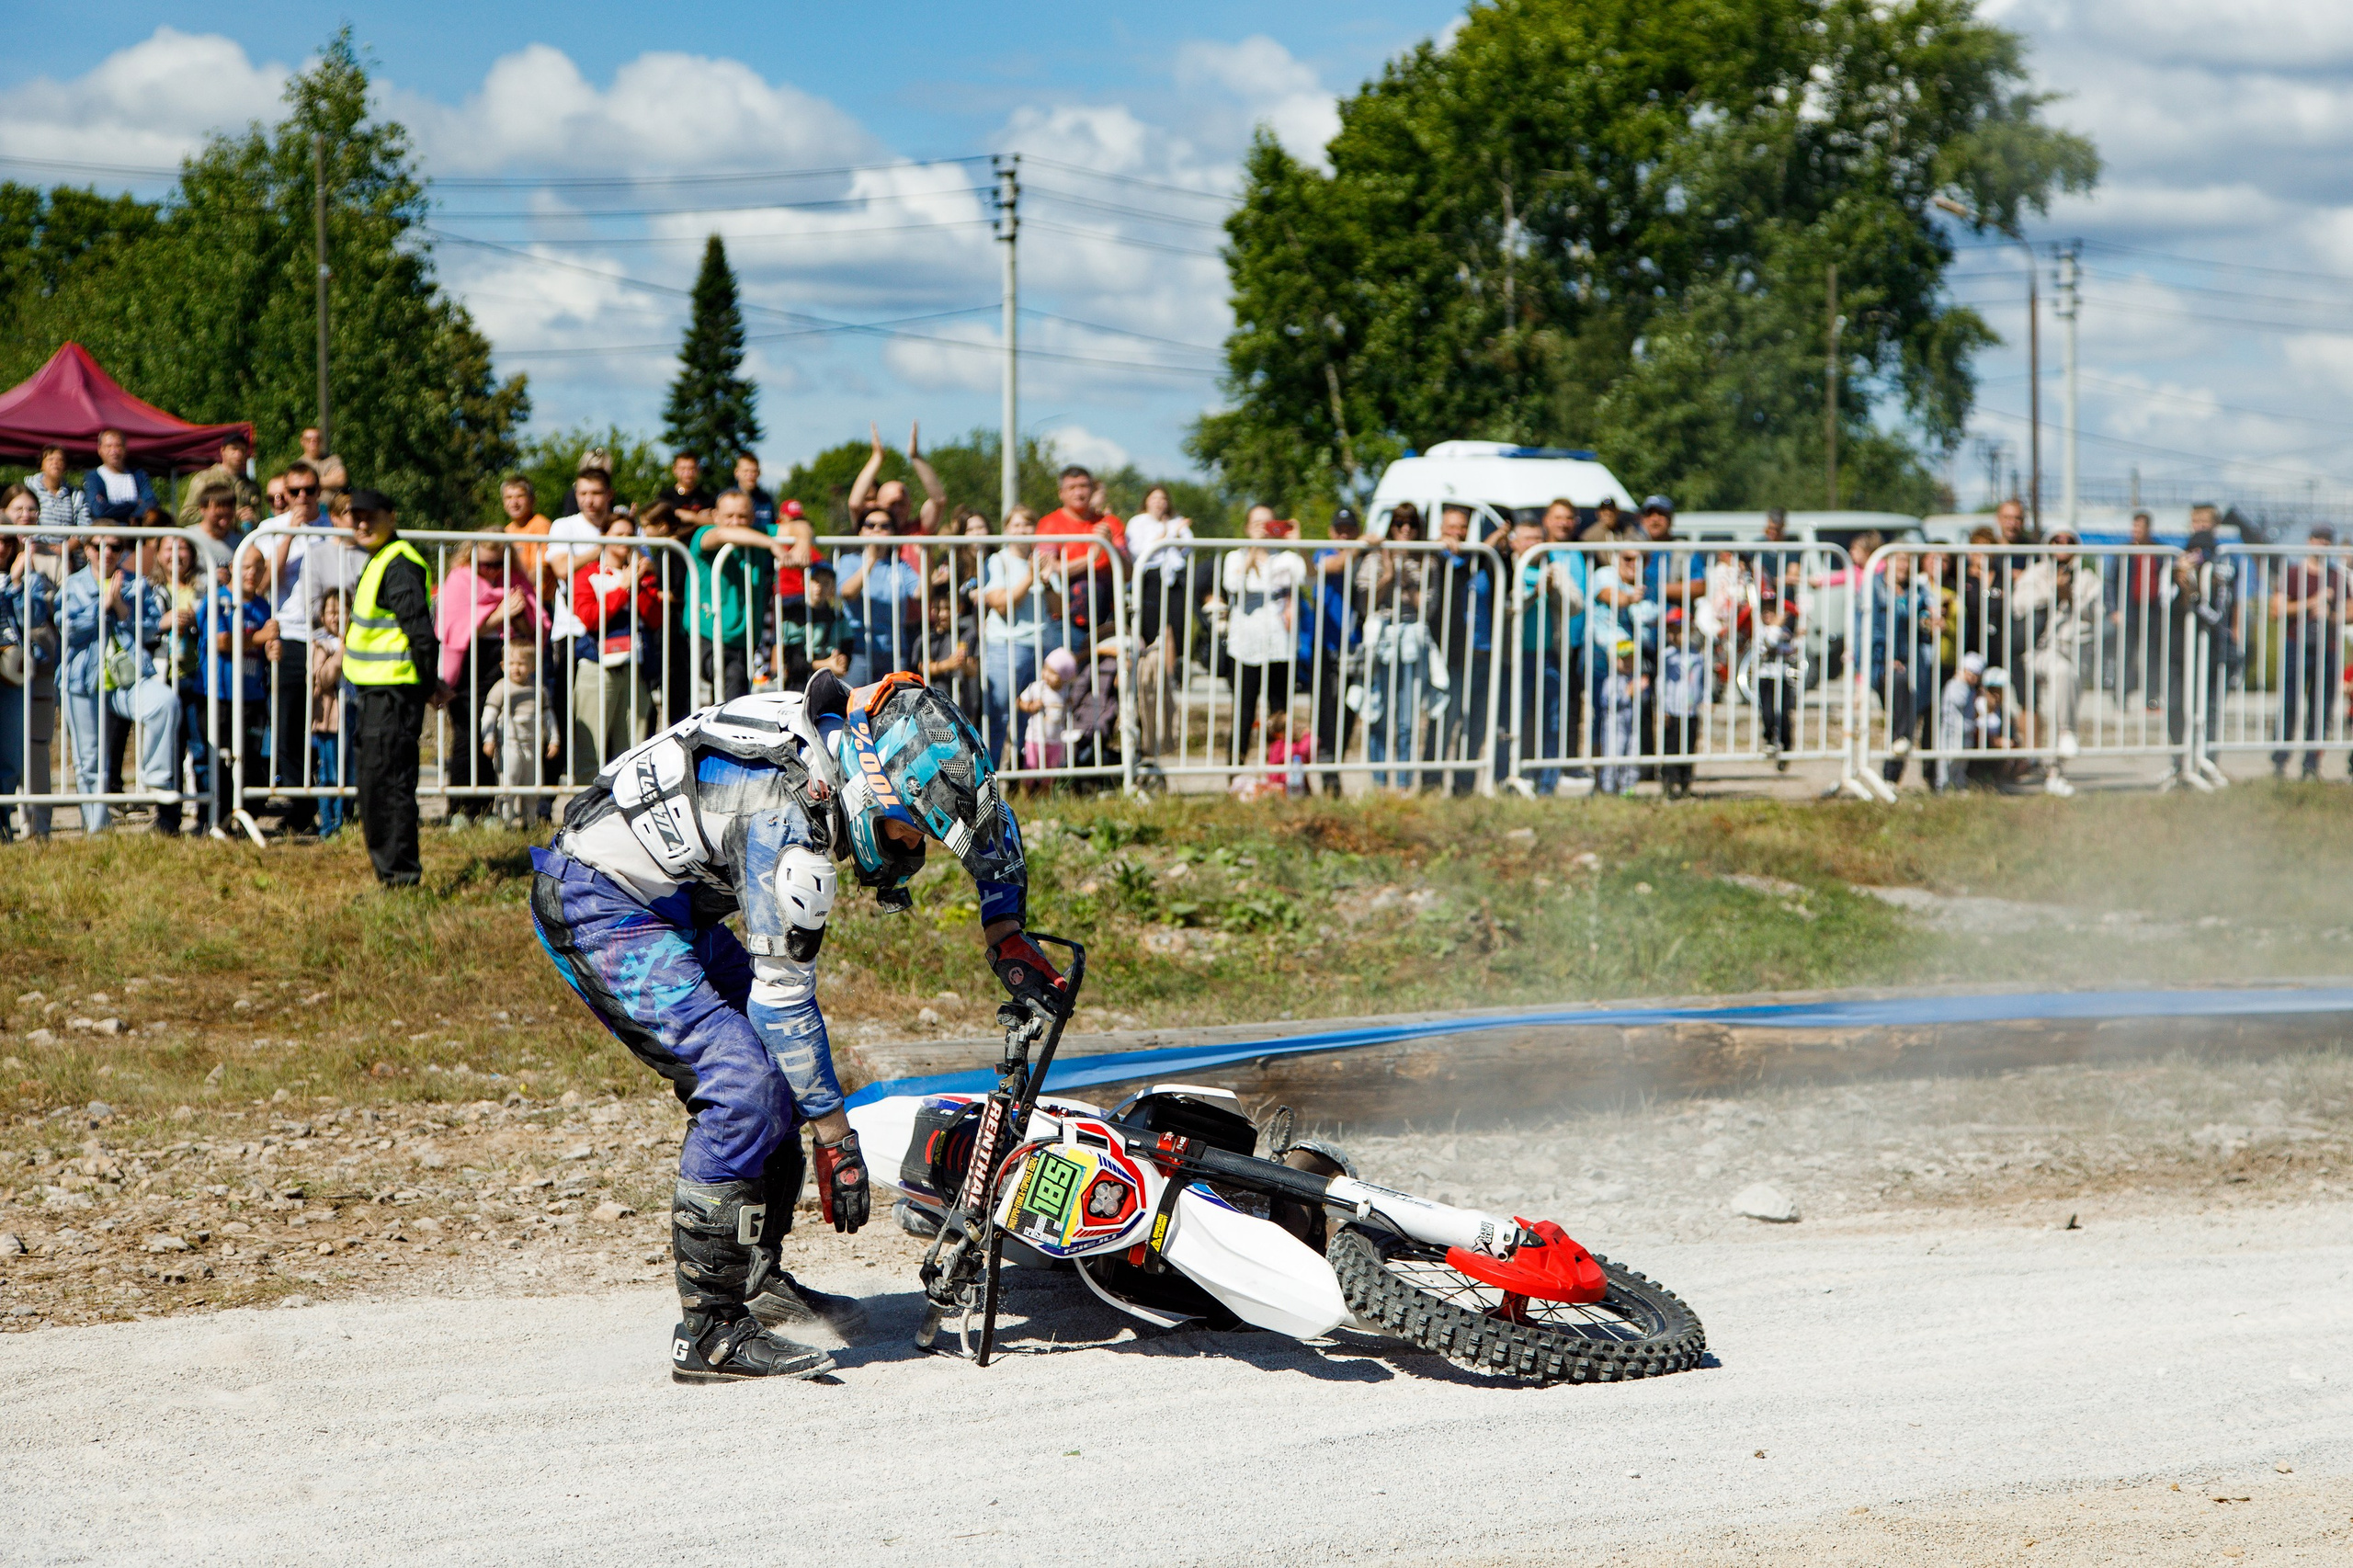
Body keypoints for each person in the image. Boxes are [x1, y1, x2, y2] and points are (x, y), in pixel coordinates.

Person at [529, 668, 1070, 1380]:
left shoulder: (860, 736)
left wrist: (1004, 925)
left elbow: (986, 818)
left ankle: (757, 1280)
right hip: (600, 900)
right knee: (745, 1087)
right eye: (909, 829)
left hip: (672, 900)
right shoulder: (787, 816)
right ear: (870, 792)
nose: (914, 849)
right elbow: (782, 1002)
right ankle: (711, 1332)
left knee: (775, 1079)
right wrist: (835, 1138)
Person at [344, 492, 451, 886]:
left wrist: (427, 685)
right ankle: (391, 874)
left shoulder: (399, 562)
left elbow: (421, 634)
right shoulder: (382, 559)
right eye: (355, 518)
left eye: (370, 517)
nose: (362, 524)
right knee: (377, 787)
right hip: (379, 693)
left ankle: (400, 879)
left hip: (393, 695)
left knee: (388, 788)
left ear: (392, 516)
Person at [61, 534, 180, 834]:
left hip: (126, 680)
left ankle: (156, 776)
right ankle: (98, 831)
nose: (107, 552)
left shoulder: (135, 584)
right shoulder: (74, 585)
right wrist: (102, 607)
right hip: (82, 681)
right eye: (98, 546)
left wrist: (121, 609)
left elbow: (151, 628)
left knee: (164, 702)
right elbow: (68, 629)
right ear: (87, 550)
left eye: (114, 546)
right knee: (89, 760)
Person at [435, 534, 545, 829]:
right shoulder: (459, 579)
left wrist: (517, 614)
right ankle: (460, 808)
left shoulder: (516, 579)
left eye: (499, 564)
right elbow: (454, 626)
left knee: (497, 734)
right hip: (469, 661)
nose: (493, 571)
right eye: (485, 564)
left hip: (505, 659)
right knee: (468, 733)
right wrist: (499, 614)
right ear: (470, 558)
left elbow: (534, 626)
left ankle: (487, 809)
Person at [250, 461, 330, 835]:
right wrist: (289, 535)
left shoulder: (335, 529)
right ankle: (302, 809)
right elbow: (264, 582)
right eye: (292, 491)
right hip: (290, 634)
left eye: (308, 491)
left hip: (329, 639)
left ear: (318, 491)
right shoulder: (269, 530)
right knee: (288, 726)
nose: (300, 498)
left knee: (330, 726)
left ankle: (333, 806)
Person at [1214, 506, 1306, 771]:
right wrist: (1253, 548)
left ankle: (1277, 772)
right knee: (1244, 713)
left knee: (1279, 713)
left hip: (1280, 645)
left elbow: (1310, 577)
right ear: (1246, 528)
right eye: (1257, 524)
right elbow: (1233, 585)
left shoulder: (1287, 558)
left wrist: (1300, 545)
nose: (1263, 529)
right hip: (1245, 646)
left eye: (1267, 524)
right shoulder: (1235, 557)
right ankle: (1235, 774)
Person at [573, 515, 661, 774]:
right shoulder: (587, 574)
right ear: (604, 538)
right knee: (591, 748)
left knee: (634, 748)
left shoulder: (641, 574)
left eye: (630, 535)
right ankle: (587, 808)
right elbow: (590, 619)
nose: (625, 541)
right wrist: (624, 587)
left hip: (635, 667)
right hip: (597, 667)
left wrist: (639, 583)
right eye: (618, 534)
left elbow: (655, 619)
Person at [2016, 531, 2100, 796]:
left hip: (2076, 652)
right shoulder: (2036, 573)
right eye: (2057, 541)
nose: (2062, 546)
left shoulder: (2087, 578)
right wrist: (2053, 593)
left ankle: (2055, 772)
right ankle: (2066, 733)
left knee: (2063, 701)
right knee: (2061, 672)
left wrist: (2072, 596)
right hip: (2041, 650)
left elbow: (2099, 614)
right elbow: (2018, 606)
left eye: (2068, 542)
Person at [692, 488, 793, 702]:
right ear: (715, 516)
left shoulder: (759, 532)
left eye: (742, 516)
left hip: (745, 637)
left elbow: (800, 526)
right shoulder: (704, 534)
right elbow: (721, 534)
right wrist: (771, 543)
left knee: (734, 688)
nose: (736, 522)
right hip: (708, 632)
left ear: (753, 517)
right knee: (731, 679)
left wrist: (801, 543)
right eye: (729, 516)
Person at [202, 549, 278, 826]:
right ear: (234, 566)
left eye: (258, 568)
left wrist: (272, 648)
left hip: (254, 696)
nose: (252, 574)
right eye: (246, 567)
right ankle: (214, 820)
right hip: (220, 696)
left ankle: (244, 818)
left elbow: (266, 646)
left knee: (253, 763)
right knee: (221, 763)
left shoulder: (263, 605)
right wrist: (260, 637)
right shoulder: (217, 599)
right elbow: (221, 641)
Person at [1360, 504, 1434, 790]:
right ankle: (1379, 783)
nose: (1405, 529)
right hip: (1382, 640)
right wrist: (1389, 576)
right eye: (1399, 523)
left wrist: (1407, 584)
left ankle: (1403, 784)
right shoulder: (1375, 557)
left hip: (1412, 641)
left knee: (1407, 719)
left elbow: (1429, 608)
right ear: (1391, 526)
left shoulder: (1427, 560)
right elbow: (1363, 603)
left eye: (1411, 524)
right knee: (1378, 713)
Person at [2269, 527, 2345, 780]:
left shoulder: (2337, 576)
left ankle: (2312, 765)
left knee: (2321, 709)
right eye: (2318, 540)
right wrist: (2312, 602)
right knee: (2289, 705)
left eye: (2327, 541)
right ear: (2308, 541)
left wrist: (2333, 615)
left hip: (2329, 647)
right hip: (2297, 644)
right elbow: (2276, 609)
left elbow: (2351, 609)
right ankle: (2280, 761)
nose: (2322, 545)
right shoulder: (2293, 574)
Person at [2165, 518, 2234, 790]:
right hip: (2179, 653)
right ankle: (2179, 762)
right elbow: (2161, 604)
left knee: (2208, 711)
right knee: (2175, 707)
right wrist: (2178, 583)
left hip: (2210, 654)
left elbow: (2216, 616)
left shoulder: (2221, 579)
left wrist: (2194, 597)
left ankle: (2206, 762)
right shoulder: (2173, 574)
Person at [1301, 507, 1365, 794]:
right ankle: (1327, 773)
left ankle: (1334, 768)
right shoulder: (1324, 552)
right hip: (1324, 645)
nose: (1344, 534)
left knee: (1348, 711)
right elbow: (1332, 566)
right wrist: (1359, 546)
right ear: (1331, 532)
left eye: (1349, 529)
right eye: (1339, 529)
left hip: (1355, 646)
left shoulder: (1365, 555)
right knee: (1325, 711)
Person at [979, 510, 1051, 766]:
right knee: (998, 717)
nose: (1022, 529)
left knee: (1029, 717)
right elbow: (1000, 604)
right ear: (1007, 530)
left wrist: (1049, 581)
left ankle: (1023, 777)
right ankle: (989, 778)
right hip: (1005, 646)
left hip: (1041, 646)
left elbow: (1059, 607)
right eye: (1016, 524)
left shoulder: (1042, 560)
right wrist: (1031, 577)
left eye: (1028, 523)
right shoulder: (998, 560)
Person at [0, 530, 59, 840]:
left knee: (10, 755)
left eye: (8, 542)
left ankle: (3, 825)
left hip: (12, 672)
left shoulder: (28, 578)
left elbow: (33, 620)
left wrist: (18, 582)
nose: (2, 547)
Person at [1034, 464, 1126, 647]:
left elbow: (1128, 572)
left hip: (1109, 620)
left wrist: (1110, 546)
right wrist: (1092, 557)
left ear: (1092, 489)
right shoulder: (1049, 524)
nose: (1078, 492)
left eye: (1083, 486)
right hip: (1065, 622)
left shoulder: (1110, 524)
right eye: (1072, 487)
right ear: (1061, 493)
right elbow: (1050, 569)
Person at [836, 506, 926, 687]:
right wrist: (871, 559)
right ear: (861, 532)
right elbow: (847, 592)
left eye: (884, 526)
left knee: (893, 710)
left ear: (893, 532)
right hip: (858, 651)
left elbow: (920, 593)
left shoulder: (899, 564)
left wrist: (925, 557)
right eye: (870, 525)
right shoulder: (849, 561)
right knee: (851, 707)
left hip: (894, 651)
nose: (877, 530)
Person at [1870, 551, 1938, 786]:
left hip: (1914, 663)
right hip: (1882, 664)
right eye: (1899, 559)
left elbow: (1921, 623)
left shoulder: (1918, 592)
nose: (1903, 565)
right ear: (1888, 562)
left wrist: (1928, 621)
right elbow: (1870, 629)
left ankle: (1894, 776)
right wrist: (1885, 658)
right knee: (1903, 712)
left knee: (1909, 714)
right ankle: (1892, 771)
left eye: (1908, 561)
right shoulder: (1874, 588)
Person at [479, 640, 557, 830]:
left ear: (532, 666)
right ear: (503, 666)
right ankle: (505, 821)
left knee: (532, 787)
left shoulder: (538, 690)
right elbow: (488, 714)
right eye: (512, 663)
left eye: (521, 664)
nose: (516, 668)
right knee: (508, 783)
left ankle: (530, 822)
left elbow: (548, 716)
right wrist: (488, 738)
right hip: (509, 744)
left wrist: (554, 740)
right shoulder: (500, 687)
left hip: (533, 745)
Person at [2106, 509, 2165, 704]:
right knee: (2125, 653)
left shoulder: (2160, 550)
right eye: (2134, 526)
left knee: (2152, 655)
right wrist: (2113, 609)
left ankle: (2151, 697)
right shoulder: (2125, 551)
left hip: (2153, 611)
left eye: (2140, 526)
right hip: (2129, 610)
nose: (2136, 530)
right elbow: (2111, 581)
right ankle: (2121, 696)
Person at [1127, 485, 1195, 650]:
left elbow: (1188, 546)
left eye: (1163, 498)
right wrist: (1165, 538)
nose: (1159, 502)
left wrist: (1174, 535)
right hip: (1149, 578)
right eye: (1155, 498)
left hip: (1174, 577)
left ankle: (1173, 667)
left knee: (1176, 623)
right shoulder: (1138, 522)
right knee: (1151, 623)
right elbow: (1137, 550)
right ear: (1147, 501)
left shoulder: (1176, 522)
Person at [847, 421, 945, 535]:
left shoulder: (918, 530)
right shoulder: (871, 527)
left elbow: (938, 500)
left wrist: (915, 457)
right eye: (892, 504)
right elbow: (854, 504)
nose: (897, 510)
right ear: (878, 504)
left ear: (909, 506)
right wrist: (877, 457)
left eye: (902, 504)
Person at [310, 589, 348, 837]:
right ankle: (329, 825)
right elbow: (321, 678)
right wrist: (341, 653)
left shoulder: (360, 640)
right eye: (331, 612)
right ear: (322, 617)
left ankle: (347, 821)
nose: (336, 617)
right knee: (330, 774)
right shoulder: (321, 643)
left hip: (353, 715)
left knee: (351, 773)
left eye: (342, 611)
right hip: (330, 721)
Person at [1657, 608, 1707, 799]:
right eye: (1672, 631)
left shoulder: (1697, 656)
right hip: (1673, 710)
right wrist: (1662, 708)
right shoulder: (1667, 656)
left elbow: (1703, 681)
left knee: (1689, 747)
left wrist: (1706, 700)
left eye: (1680, 630)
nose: (1676, 635)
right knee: (1671, 747)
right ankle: (1669, 783)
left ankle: (1686, 784)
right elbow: (1661, 684)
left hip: (1691, 711)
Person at [176, 434, 262, 528]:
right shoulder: (205, 479)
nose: (238, 454)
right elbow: (186, 517)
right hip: (212, 539)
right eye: (234, 449)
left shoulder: (251, 486)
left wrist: (253, 519)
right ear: (223, 451)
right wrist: (224, 516)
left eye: (242, 450)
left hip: (242, 539)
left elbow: (259, 518)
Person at [1019, 645, 1077, 773]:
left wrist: (1069, 702)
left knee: (1050, 772)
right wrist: (1031, 706)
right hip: (1034, 739)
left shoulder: (1065, 691)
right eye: (1044, 669)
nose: (1045, 674)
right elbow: (1020, 701)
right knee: (1030, 768)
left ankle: (1045, 792)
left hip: (1055, 740)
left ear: (1064, 677)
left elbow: (1068, 705)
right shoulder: (1037, 688)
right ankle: (1025, 791)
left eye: (1052, 673)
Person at [1597, 640, 1643, 794]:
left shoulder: (1635, 680)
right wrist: (1626, 694)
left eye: (1631, 658)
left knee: (1632, 755)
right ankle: (1608, 789)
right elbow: (1607, 702)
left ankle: (1628, 788)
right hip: (1615, 728)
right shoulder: (1610, 681)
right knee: (1612, 757)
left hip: (1632, 727)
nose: (1627, 663)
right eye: (1623, 659)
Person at [82, 429, 155, 526]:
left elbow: (151, 503)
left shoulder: (139, 476)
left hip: (135, 536)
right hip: (107, 537)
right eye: (108, 446)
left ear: (125, 449)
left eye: (118, 446)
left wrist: (133, 514)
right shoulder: (93, 477)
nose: (114, 451)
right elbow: (98, 510)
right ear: (100, 449)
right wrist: (134, 505)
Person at [1937, 652, 1987, 791]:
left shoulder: (1970, 689)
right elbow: (1960, 701)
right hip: (1952, 731)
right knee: (1948, 761)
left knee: (1962, 762)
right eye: (1971, 674)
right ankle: (1944, 785)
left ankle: (1959, 784)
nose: (1973, 678)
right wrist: (1960, 681)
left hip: (1966, 731)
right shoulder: (1955, 685)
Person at [660, 452, 715, 529]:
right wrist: (700, 519)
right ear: (675, 470)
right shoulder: (665, 497)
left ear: (698, 470)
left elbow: (717, 521)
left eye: (692, 468)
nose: (688, 473)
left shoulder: (707, 498)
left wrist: (691, 517)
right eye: (683, 469)